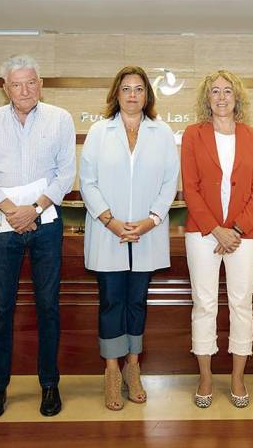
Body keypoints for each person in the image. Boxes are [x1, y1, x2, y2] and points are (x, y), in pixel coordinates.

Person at [0, 55, 76, 419]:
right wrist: (12, 210)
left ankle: (49, 385)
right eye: (16, 84)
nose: (25, 90)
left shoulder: (60, 119)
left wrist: (33, 208)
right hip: (4, 225)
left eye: (31, 82)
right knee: (2, 308)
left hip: (46, 222)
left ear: (41, 84)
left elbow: (66, 174)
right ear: (6, 89)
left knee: (48, 306)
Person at [80, 65, 179, 411]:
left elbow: (169, 182)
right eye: (126, 89)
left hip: (147, 234)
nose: (133, 95)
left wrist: (152, 220)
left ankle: (132, 367)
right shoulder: (99, 131)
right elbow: (87, 181)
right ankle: (111, 372)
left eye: (139, 89)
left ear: (147, 95)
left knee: (137, 302)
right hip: (109, 233)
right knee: (111, 302)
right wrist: (109, 220)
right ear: (116, 94)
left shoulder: (162, 132)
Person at [181, 70, 253, 409]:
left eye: (227, 91)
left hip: (244, 236)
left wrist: (236, 230)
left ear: (237, 97)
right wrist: (216, 228)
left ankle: (237, 376)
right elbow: (191, 187)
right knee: (204, 304)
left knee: (241, 304)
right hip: (203, 233)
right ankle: (205, 376)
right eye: (214, 91)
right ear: (207, 98)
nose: (221, 97)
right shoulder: (192, 134)